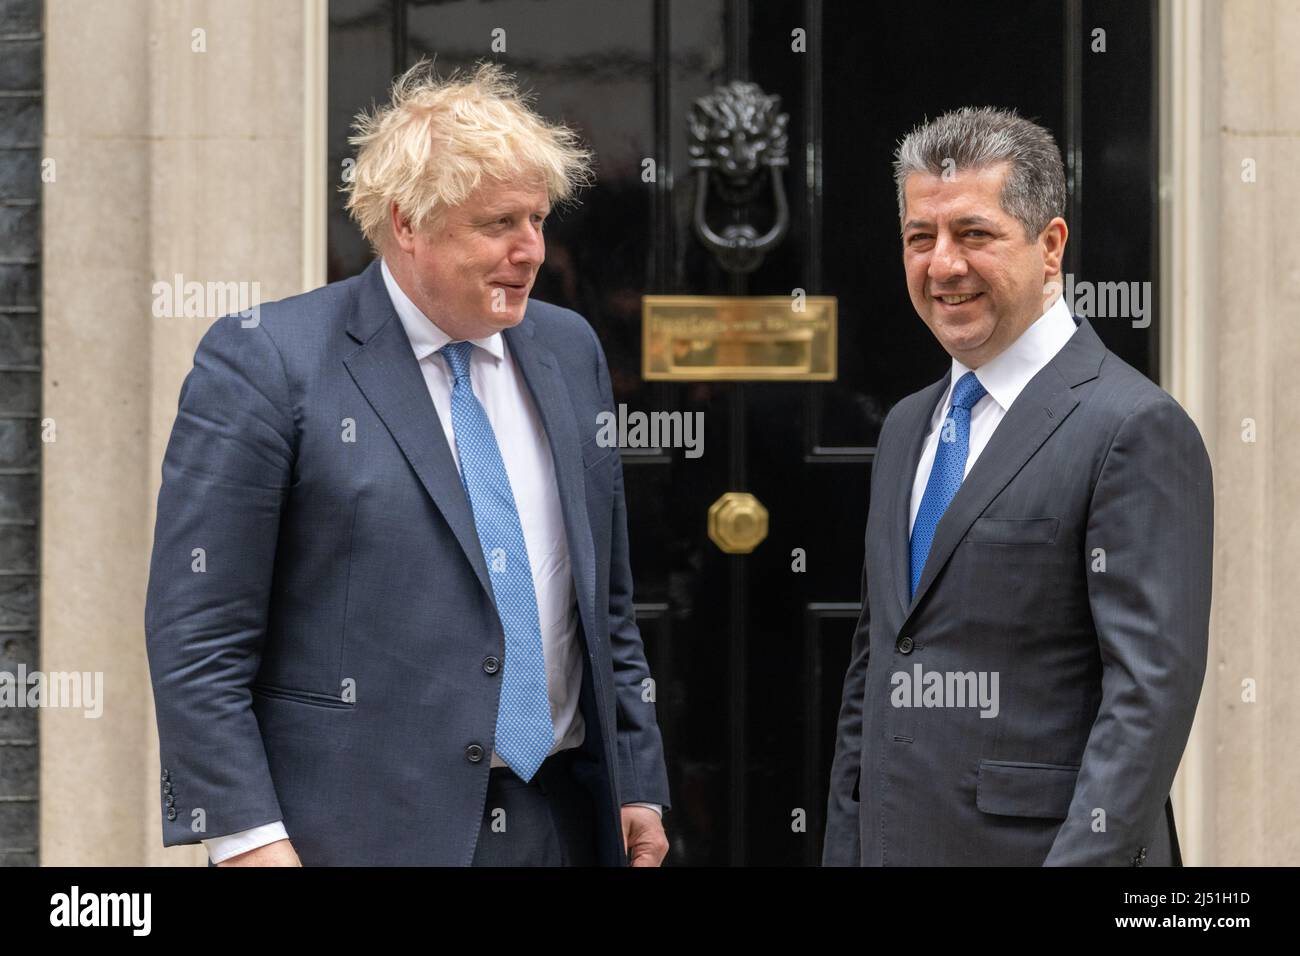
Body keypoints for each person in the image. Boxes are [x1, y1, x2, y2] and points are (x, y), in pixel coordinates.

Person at [145, 60, 670, 867]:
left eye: (537, 219)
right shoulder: (266, 362)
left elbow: (605, 605)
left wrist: (637, 779)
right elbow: (198, 636)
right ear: (407, 223)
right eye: (498, 224)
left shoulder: (569, 350)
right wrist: (247, 838)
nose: (531, 250)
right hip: (352, 837)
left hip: (560, 820)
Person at [822, 107, 1212, 866]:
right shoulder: (907, 426)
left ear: (1051, 246)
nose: (942, 265)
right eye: (919, 237)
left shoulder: (1134, 428)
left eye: (973, 234)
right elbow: (877, 665)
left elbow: (1148, 699)